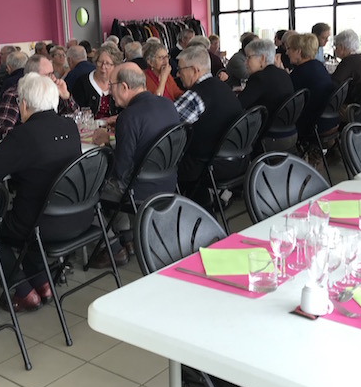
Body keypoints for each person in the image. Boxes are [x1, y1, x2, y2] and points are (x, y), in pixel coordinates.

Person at [0, 73, 82, 312]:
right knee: (31, 224)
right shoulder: (70, 126)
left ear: (24, 105)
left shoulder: (23, 135)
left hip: (39, 223)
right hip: (76, 216)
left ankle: (24, 290)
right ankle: (42, 282)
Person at [92, 63, 181, 261]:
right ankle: (128, 237)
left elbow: (121, 170)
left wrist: (107, 148)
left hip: (139, 190)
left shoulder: (129, 117)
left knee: (89, 194)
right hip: (169, 182)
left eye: (111, 86)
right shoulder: (167, 104)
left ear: (124, 87)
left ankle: (115, 248)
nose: (109, 91)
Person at [174, 46, 243, 195]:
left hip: (205, 165)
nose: (178, 74)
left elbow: (167, 125)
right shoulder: (224, 88)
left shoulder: (196, 96)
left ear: (194, 70)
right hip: (236, 160)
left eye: (180, 69)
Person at [0, 55, 78, 140]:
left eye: (53, 73)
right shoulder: (16, 94)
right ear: (32, 76)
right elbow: (1, 131)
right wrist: (33, 135)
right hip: (27, 147)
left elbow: (77, 119)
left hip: (52, 144)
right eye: (49, 74)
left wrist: (66, 96)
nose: (54, 78)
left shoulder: (51, 91)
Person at [287, 32, 336, 142]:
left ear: (298, 51)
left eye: (289, 49)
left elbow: (286, 98)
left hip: (313, 125)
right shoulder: (319, 66)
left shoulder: (300, 72)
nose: (287, 52)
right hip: (330, 120)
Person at [238, 38, 294, 118]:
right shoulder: (283, 73)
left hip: (266, 126)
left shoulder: (259, 78)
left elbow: (239, 104)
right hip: (286, 125)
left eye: (248, 57)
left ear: (262, 59)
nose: (245, 62)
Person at [71, 43, 122, 119]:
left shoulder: (119, 83)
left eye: (107, 64)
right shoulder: (82, 83)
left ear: (115, 66)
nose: (103, 67)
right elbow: (75, 110)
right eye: (100, 62)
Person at [330, 29, 361, 105]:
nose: (335, 50)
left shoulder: (347, 62)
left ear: (342, 47)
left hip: (352, 104)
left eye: (336, 47)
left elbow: (333, 85)